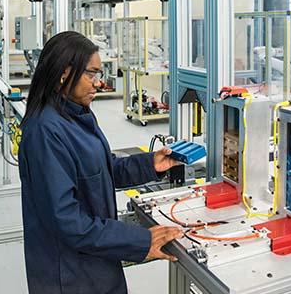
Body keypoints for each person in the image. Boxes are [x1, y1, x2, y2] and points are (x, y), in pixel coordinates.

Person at [19, 31, 183, 294]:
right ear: (64, 72)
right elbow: (67, 221)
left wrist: (150, 164)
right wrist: (140, 240)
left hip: (96, 258)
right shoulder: (45, 132)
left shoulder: (77, 114)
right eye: (91, 74)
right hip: (69, 274)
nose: (99, 83)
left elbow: (102, 169)